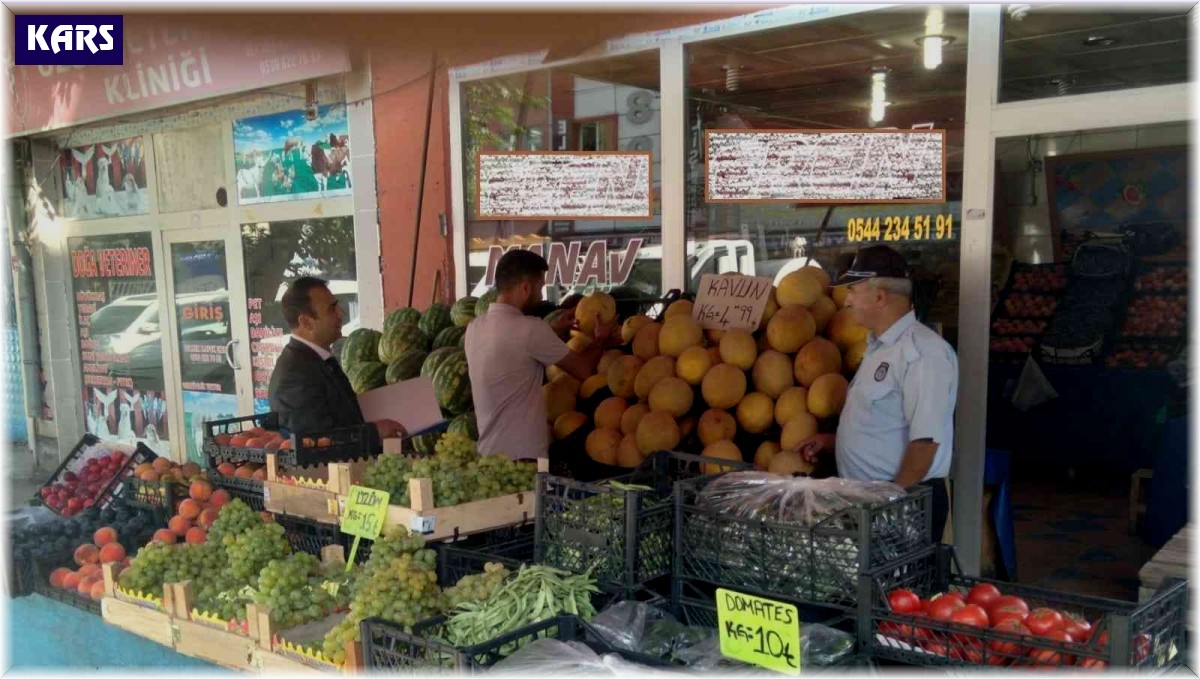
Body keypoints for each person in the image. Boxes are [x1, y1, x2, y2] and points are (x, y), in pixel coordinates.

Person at [797, 245, 958, 543]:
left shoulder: (923, 354)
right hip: (869, 500)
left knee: (903, 590)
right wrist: (835, 443)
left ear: (880, 296)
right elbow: (886, 423)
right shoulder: (880, 348)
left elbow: (925, 444)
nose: (846, 301)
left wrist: (890, 506)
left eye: (853, 291)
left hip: (904, 504)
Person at [465, 250, 618, 460]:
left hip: (489, 456)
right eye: (540, 287)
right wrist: (601, 338)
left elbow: (512, 349)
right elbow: (584, 369)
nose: (542, 295)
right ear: (526, 287)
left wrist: (550, 329)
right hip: (523, 459)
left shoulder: (474, 328)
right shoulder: (531, 330)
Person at [268, 277, 404, 443]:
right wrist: (374, 431)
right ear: (306, 322)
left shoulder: (318, 359)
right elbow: (318, 440)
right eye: (332, 309)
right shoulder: (294, 376)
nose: (341, 313)